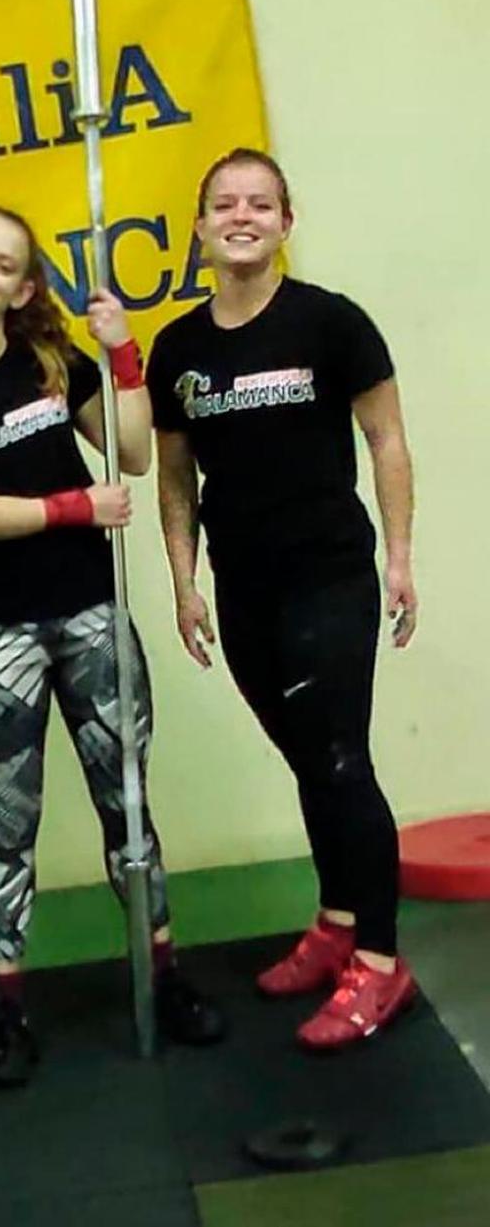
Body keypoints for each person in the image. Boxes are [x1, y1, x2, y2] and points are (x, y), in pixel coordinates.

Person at [0, 205, 225, 1087]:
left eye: (6, 264)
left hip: (92, 617)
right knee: (11, 826)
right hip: (0, 635)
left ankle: (165, 974)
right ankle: (3, 1006)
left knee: (130, 809)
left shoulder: (49, 364)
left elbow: (136, 453)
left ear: (26, 287)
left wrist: (121, 356)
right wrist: (72, 508)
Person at [148, 148, 418, 1050]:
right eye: (224, 203)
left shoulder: (332, 325)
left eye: (261, 203)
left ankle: (380, 963)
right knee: (308, 757)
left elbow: (385, 439)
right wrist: (184, 580)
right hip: (244, 583)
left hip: (331, 575)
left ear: (285, 222)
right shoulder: (180, 349)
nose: (242, 216)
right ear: (200, 225)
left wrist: (402, 557)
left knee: (341, 757)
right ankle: (338, 918)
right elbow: (176, 477)